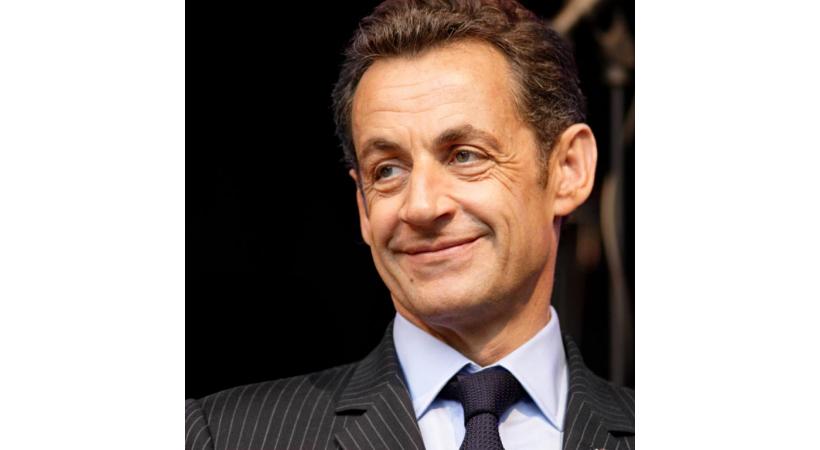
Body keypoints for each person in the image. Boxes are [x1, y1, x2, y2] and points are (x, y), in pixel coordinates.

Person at [185, 1, 634, 449]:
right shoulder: (219, 437)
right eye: (388, 170)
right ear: (363, 207)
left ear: (569, 170)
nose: (420, 207)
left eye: (464, 156)